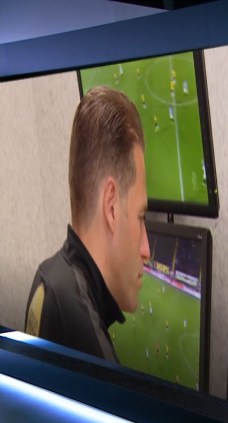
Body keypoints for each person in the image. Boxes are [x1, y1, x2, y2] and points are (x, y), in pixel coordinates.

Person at [24, 86, 151, 363]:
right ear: (111, 206)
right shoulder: (87, 346)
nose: (146, 249)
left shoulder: (49, 277)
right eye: (140, 217)